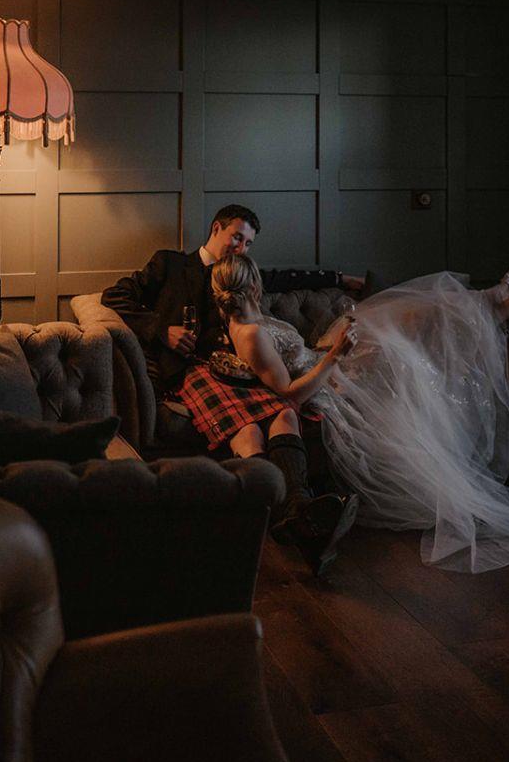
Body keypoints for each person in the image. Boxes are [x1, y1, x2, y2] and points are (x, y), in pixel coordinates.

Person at [212, 249, 509, 573]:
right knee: (412, 332)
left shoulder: (246, 323)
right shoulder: (252, 334)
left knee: (406, 321)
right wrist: (335, 357)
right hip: (329, 384)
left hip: (324, 365)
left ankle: (507, 297)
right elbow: (292, 394)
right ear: (255, 285)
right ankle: (506, 299)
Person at [100, 203, 365, 574]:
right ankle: (288, 523)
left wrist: (340, 278)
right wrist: (163, 330)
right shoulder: (170, 264)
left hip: (241, 372)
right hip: (196, 372)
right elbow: (114, 296)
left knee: (286, 412)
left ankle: (299, 513)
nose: (240, 247)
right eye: (236, 237)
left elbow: (284, 277)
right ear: (216, 228)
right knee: (249, 431)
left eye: (247, 243)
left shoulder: (241, 274)